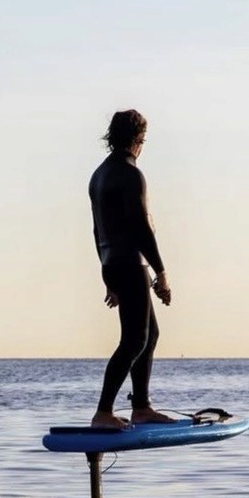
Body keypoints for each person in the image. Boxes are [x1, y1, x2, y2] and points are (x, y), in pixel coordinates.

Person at [89, 109, 175, 428]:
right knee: (135, 339)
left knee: (149, 335)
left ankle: (141, 406)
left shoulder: (99, 174)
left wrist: (106, 274)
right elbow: (141, 227)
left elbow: (98, 230)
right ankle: (103, 412)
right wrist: (161, 272)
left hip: (113, 261)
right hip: (130, 262)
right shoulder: (130, 173)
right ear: (139, 139)